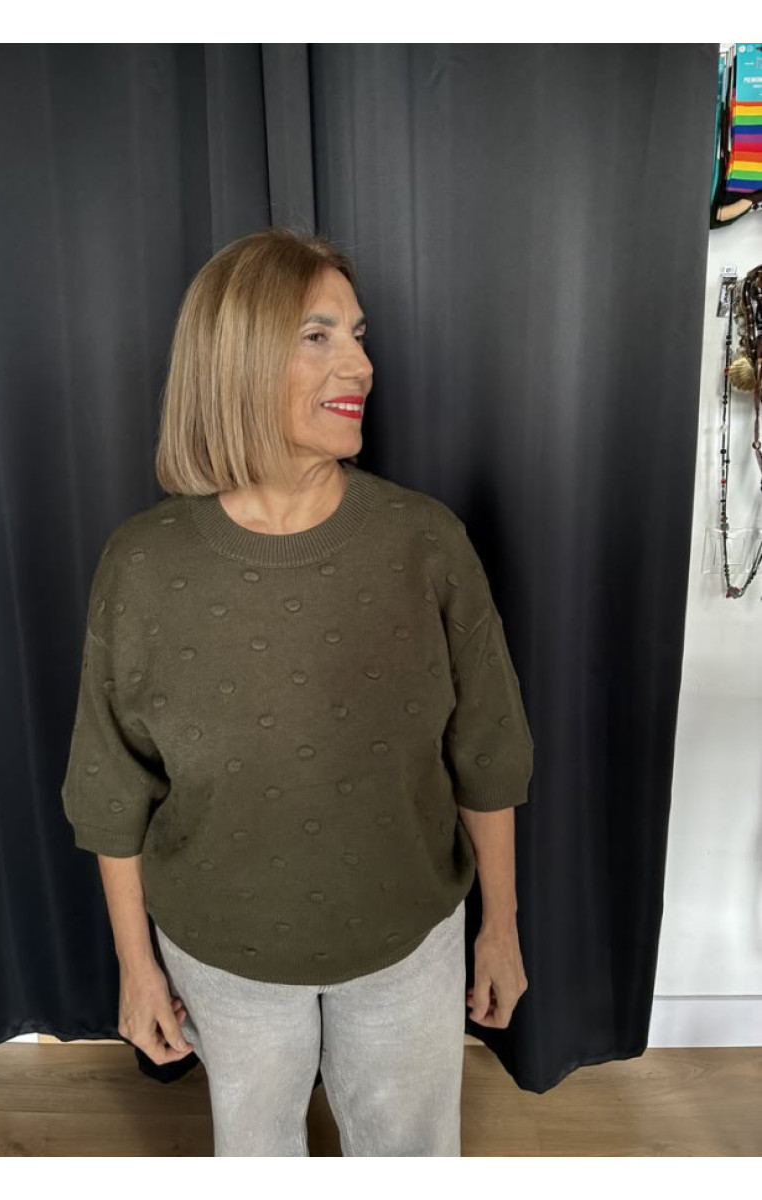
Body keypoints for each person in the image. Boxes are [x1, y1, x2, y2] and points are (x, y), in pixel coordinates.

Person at [61, 225, 535, 1156]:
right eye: (317, 336)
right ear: (235, 360)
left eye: (357, 335)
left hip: (409, 939)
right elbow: (110, 786)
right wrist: (135, 966)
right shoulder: (144, 565)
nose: (360, 363)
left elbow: (488, 750)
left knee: (411, 1158)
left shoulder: (426, 542)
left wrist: (501, 929)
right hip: (223, 953)